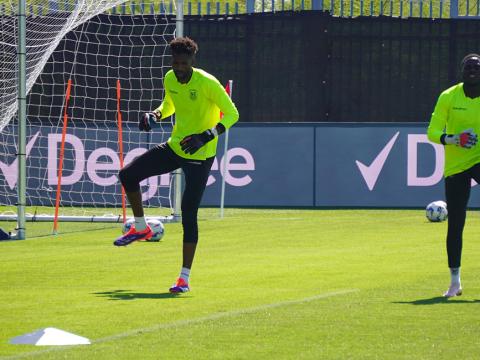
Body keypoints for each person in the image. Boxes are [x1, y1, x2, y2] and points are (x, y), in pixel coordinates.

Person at [114, 37, 239, 293]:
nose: (179, 67)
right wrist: (155, 114)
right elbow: (169, 105)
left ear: (192, 61)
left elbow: (233, 114)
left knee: (188, 213)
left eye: (184, 63)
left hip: (201, 154)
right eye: (175, 62)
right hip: (176, 146)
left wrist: (207, 135)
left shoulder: (207, 83)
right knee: (128, 175)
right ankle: (141, 228)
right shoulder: (170, 78)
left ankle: (184, 278)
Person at [427, 53, 480, 298]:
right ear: (461, 70)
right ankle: (455, 281)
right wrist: (454, 139)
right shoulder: (448, 96)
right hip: (456, 166)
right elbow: (433, 132)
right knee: (456, 223)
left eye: (477, 67)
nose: (472, 70)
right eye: (468, 66)